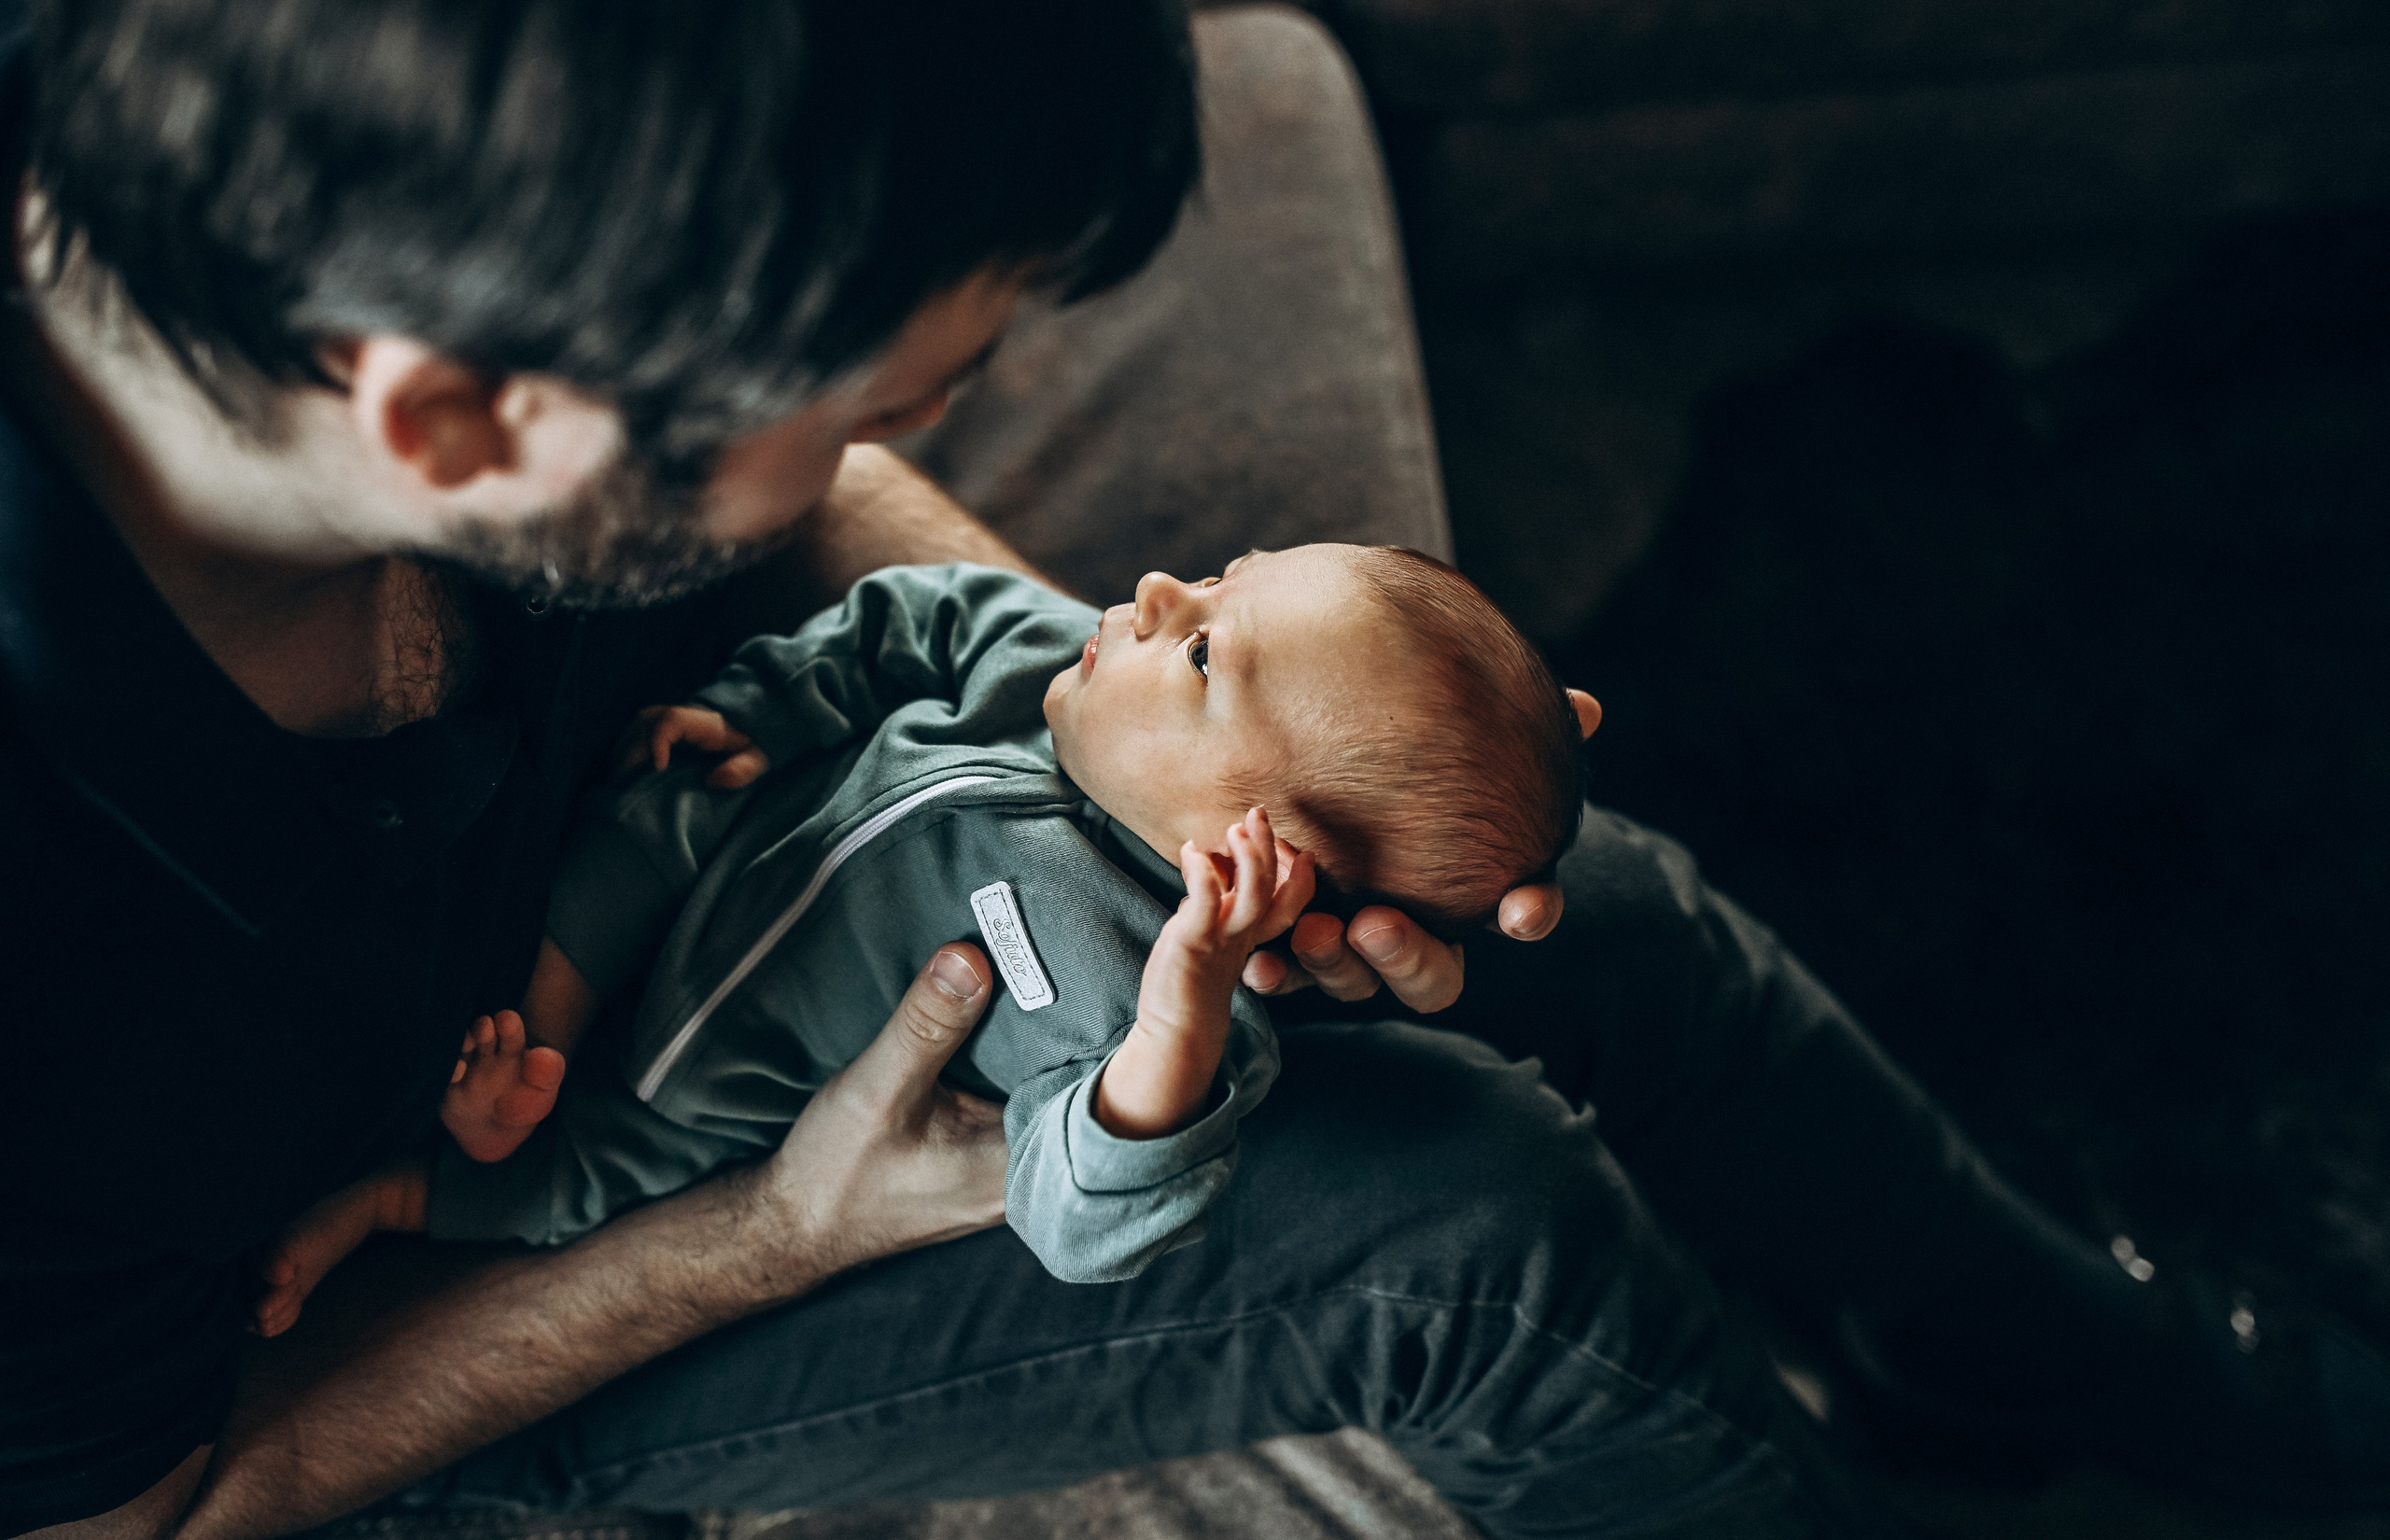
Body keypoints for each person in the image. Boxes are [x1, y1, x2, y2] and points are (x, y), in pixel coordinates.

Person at [3, 0, 2383, 1540]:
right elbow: (139, 1505)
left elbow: (827, 514)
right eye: (890, 391)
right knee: (1467, 1231)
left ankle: (2090, 1372)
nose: (923, 433)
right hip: (443, 1270)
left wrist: (1159, 770)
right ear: (454, 416)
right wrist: (773, 1226)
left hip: (703, 859)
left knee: (1582, 904)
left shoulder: (329, 111)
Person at [251, 546, 1581, 1327]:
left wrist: (1182, 1006)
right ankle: (533, 1035)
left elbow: (1082, 1219)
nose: (1159, 589)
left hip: (733, 1082)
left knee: (593, 1176)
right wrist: (767, 709)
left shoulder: (1162, 1010)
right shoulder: (1040, 660)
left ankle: (408, 1192)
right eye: (1221, 578)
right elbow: (906, 622)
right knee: (638, 828)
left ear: (1258, 850)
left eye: (1201, 656)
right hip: (711, 842)